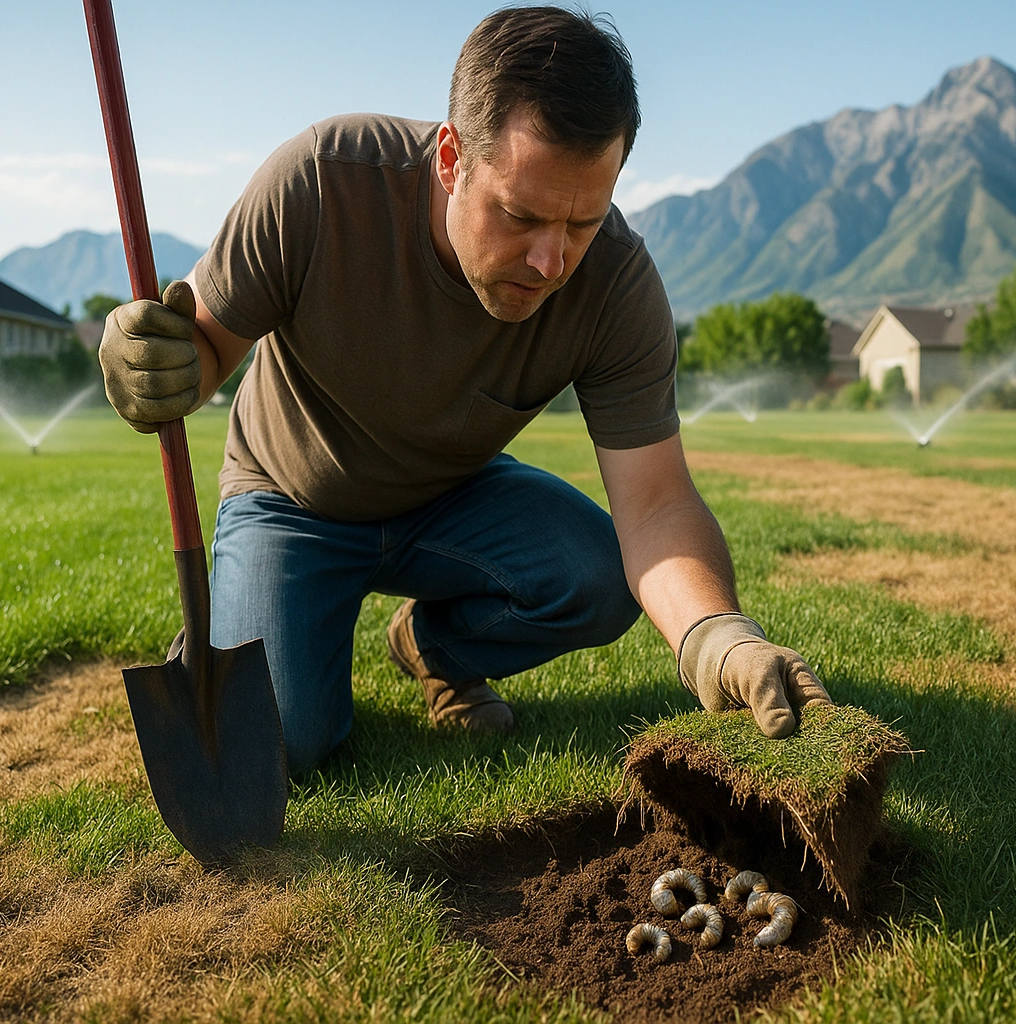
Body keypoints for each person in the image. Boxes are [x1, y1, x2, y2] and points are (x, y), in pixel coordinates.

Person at [98, 6, 831, 777]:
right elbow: (205, 344)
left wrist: (718, 636)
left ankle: (432, 649)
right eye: (520, 215)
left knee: (598, 576)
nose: (551, 261)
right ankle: (236, 638)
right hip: (291, 498)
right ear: (452, 158)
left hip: (450, 503)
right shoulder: (320, 181)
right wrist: (154, 364)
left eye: (582, 222)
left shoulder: (618, 285)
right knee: (283, 740)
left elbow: (655, 505)